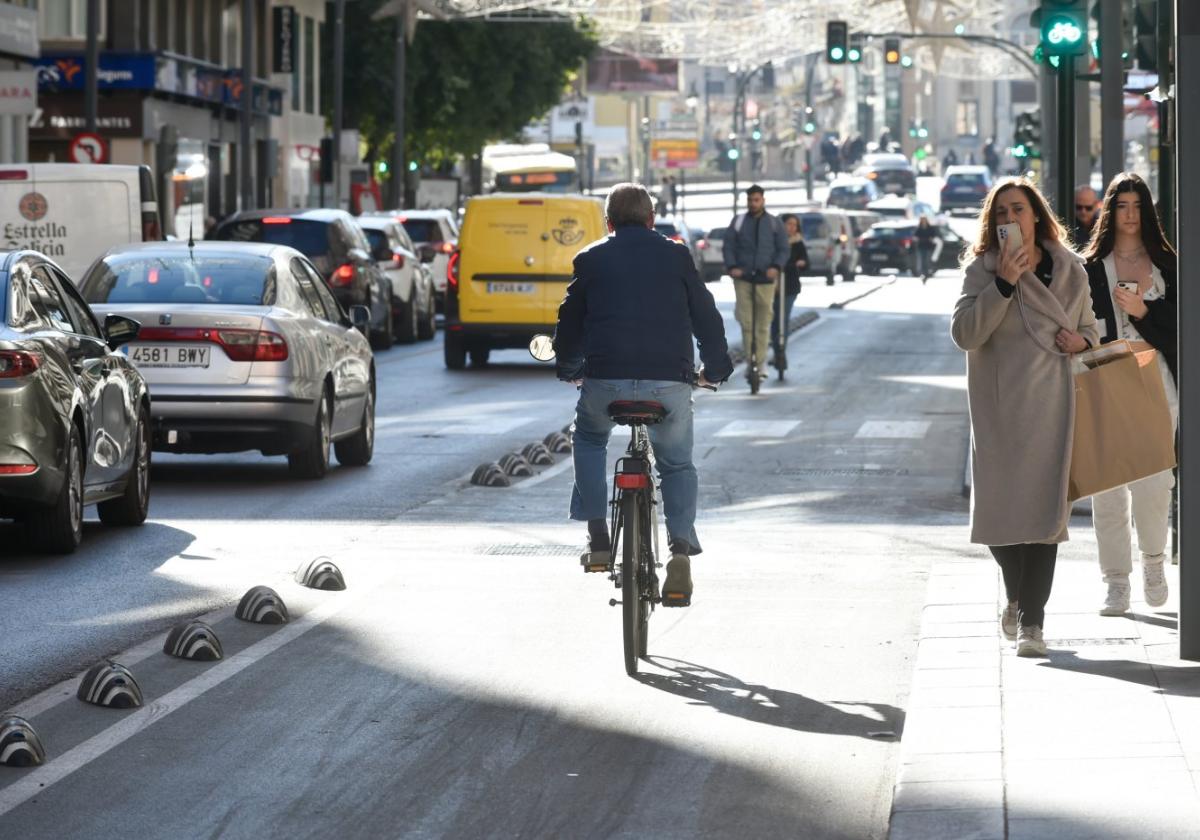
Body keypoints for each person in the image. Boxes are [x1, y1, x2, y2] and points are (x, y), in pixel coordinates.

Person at [553, 183, 733, 606]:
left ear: (609, 222)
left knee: (590, 437)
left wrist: (568, 369)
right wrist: (715, 371)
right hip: (668, 382)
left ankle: (598, 535)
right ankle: (681, 551)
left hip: (605, 381)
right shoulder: (676, 255)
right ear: (652, 220)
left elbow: (570, 322)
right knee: (675, 464)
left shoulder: (590, 258)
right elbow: (706, 316)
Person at [950, 177, 1099, 657]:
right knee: (999, 516)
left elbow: (1090, 330)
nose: (1009, 219)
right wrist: (1003, 283)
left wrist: (1082, 342)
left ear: (1037, 215)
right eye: (1000, 213)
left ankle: (1032, 623)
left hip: (1052, 404)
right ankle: (1016, 595)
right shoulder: (982, 269)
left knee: (1045, 517)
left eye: (1018, 209)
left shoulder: (1071, 269)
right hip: (997, 408)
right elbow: (965, 335)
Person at [1080, 172, 1178, 616]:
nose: (1131, 215)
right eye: (1122, 206)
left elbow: (1181, 333)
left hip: (1156, 377)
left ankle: (1154, 561)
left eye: (1139, 206)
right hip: (1107, 377)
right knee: (1108, 484)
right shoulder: (1090, 269)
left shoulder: (1169, 266)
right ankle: (1116, 580)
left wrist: (1145, 310)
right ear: (1110, 211)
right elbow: (1082, 328)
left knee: (1156, 480)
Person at [722, 184, 790, 383]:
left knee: (763, 324)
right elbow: (728, 246)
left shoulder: (774, 223)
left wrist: (776, 267)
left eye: (756, 200)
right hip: (743, 278)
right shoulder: (739, 222)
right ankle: (749, 362)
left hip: (766, 280)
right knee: (746, 322)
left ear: (763, 200)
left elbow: (783, 249)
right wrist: (732, 266)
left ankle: (760, 363)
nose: (753, 203)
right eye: (750, 200)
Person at [772, 213, 808, 358]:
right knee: (774, 319)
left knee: (783, 317)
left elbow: (806, 261)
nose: (792, 227)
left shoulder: (798, 242)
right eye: (789, 224)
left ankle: (782, 351)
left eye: (794, 225)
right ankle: (776, 349)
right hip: (773, 286)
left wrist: (801, 263)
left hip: (790, 286)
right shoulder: (774, 242)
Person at [1071, 184, 1100, 250]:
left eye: (1088, 208)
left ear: (1096, 205)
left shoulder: (1102, 226)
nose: (1083, 211)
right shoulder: (1068, 225)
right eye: (1079, 207)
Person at [914, 216, 940, 282]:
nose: (923, 221)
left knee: (928, 260)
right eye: (922, 220)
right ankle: (923, 274)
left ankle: (927, 273)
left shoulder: (930, 228)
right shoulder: (919, 228)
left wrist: (931, 239)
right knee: (922, 261)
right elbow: (915, 237)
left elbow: (934, 236)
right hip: (921, 246)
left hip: (928, 246)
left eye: (924, 220)